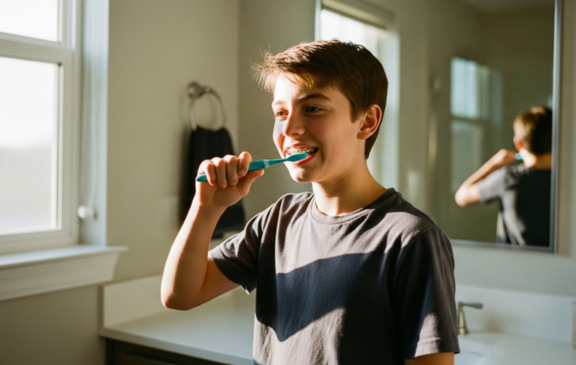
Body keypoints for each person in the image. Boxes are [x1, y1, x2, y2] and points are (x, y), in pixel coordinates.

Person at [161, 39, 459, 365]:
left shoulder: (411, 239)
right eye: (280, 112)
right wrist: (207, 209)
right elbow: (180, 296)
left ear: (367, 121)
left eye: (313, 108)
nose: (288, 128)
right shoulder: (278, 220)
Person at [454, 106, 552, 247]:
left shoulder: (508, 179)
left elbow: (462, 197)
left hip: (512, 266)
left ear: (518, 143)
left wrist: (494, 164)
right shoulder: (567, 181)